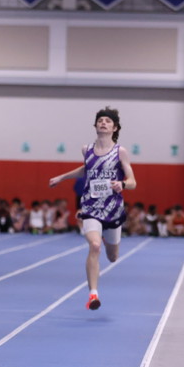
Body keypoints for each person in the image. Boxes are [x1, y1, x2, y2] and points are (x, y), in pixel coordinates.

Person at [49, 107, 137, 311]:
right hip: (90, 206)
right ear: (95, 125)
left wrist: (122, 184)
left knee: (112, 257)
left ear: (115, 128)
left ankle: (106, 237)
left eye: (108, 121)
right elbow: (86, 169)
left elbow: (133, 181)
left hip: (113, 209)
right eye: (100, 120)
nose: (103, 123)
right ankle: (93, 295)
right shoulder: (86, 149)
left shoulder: (120, 152)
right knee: (95, 246)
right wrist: (62, 177)